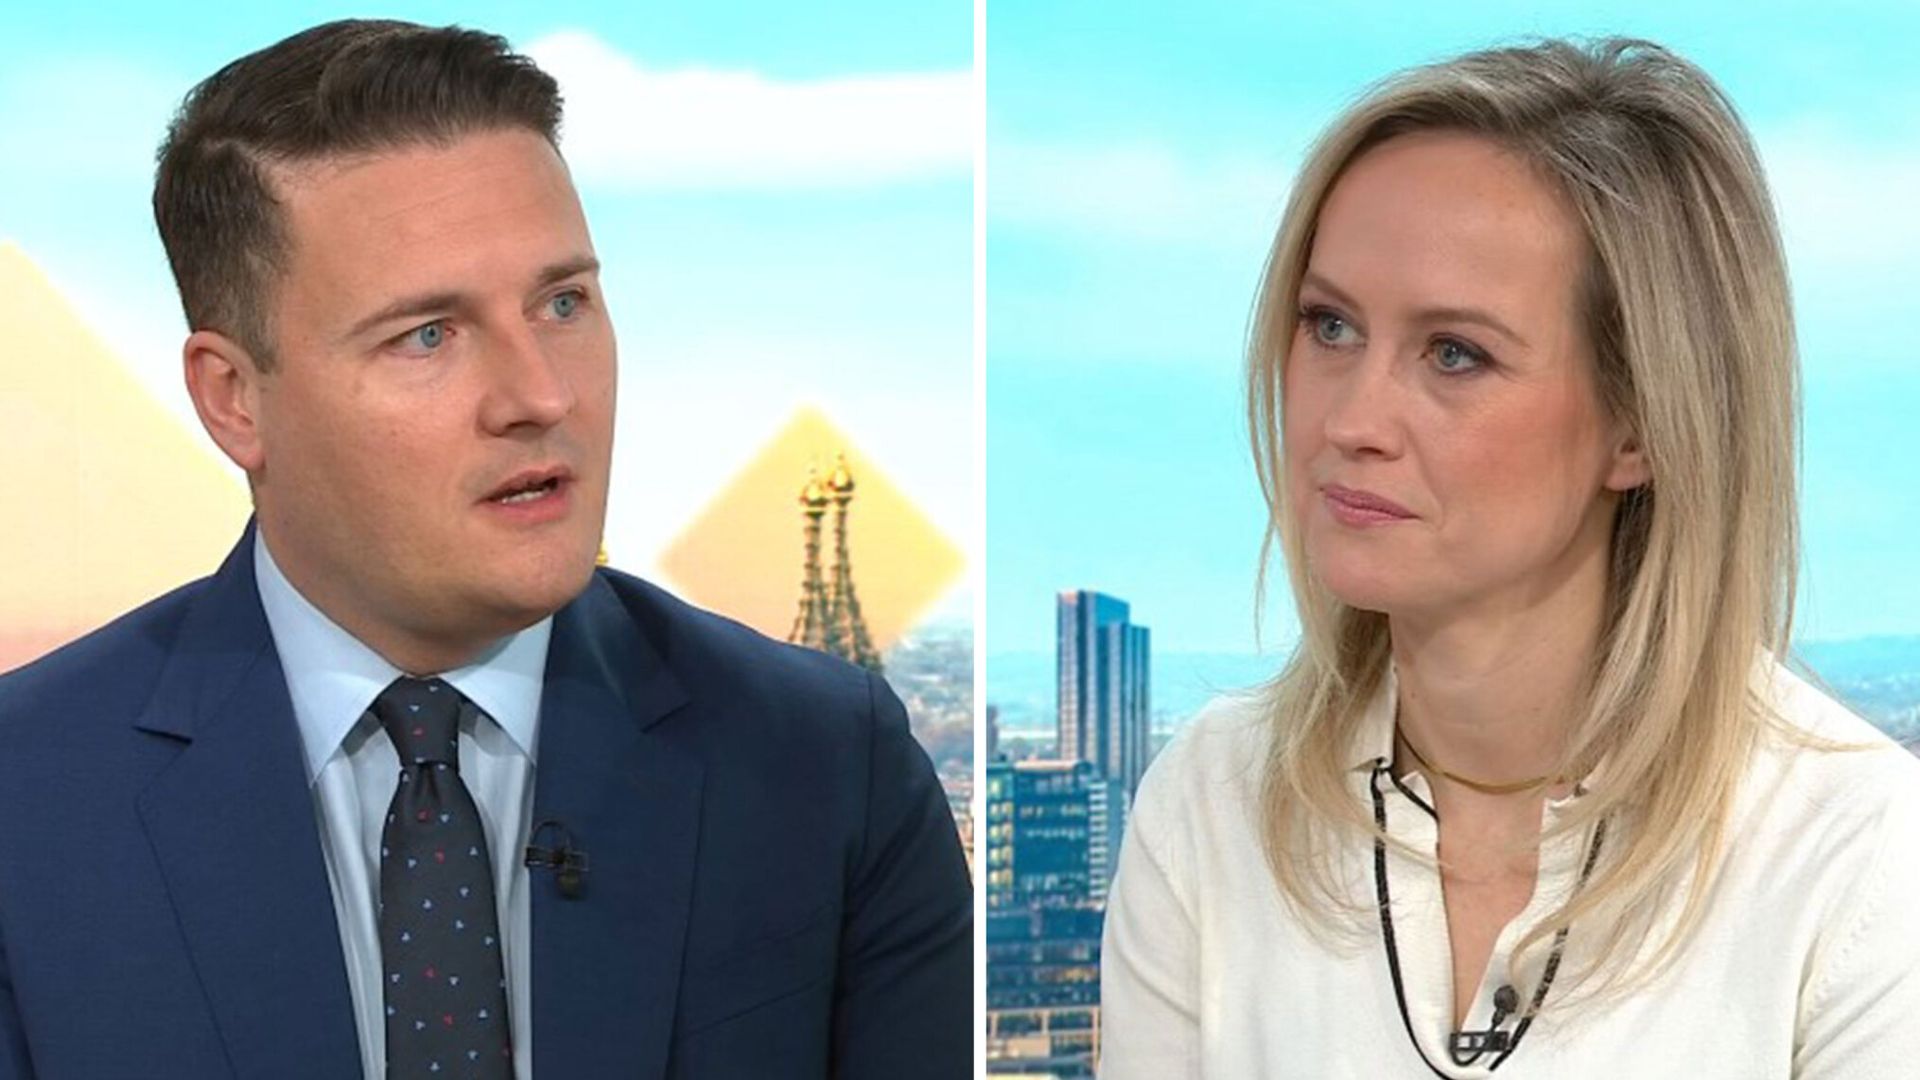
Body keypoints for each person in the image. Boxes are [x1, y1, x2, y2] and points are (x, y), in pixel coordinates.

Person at [0, 19, 970, 1080]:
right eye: (428, 334)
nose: (540, 395)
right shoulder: (25, 801)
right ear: (234, 399)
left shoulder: (828, 768)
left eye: (562, 303)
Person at [1098, 37, 1920, 1079]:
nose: (1351, 421)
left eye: (1455, 354)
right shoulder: (1210, 800)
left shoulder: (1860, 858)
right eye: (1330, 325)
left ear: (1642, 424)